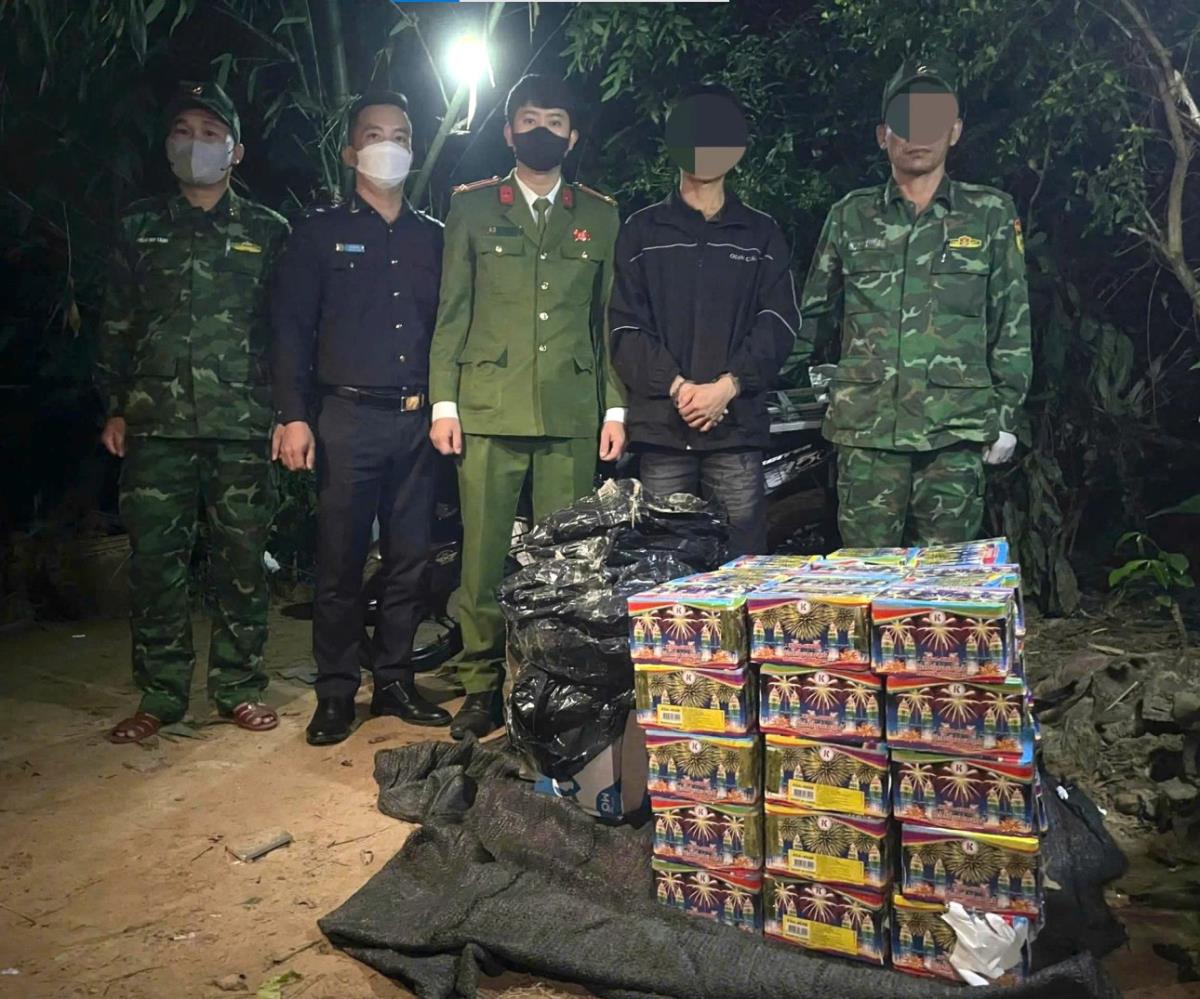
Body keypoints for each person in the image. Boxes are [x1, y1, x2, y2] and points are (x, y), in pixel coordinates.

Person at [428, 74, 626, 740]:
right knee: (482, 559)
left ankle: (553, 684)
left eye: (556, 121)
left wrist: (615, 409)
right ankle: (480, 684)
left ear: (573, 135)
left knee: (564, 566)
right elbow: (453, 310)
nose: (543, 130)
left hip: (570, 412)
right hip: (487, 408)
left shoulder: (600, 214)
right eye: (530, 119)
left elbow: (606, 323)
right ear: (510, 131)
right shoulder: (473, 207)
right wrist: (444, 401)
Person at [97, 81, 288, 743]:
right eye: (183, 130)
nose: (195, 143)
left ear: (236, 150)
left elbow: (286, 333)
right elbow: (117, 322)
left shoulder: (268, 231)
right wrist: (115, 406)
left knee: (242, 562)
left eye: (210, 133)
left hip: (241, 424)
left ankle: (238, 686)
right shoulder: (139, 227)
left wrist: (286, 412)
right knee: (156, 565)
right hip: (155, 425)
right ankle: (161, 694)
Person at [787, 60, 1031, 547]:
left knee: (945, 582)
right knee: (865, 575)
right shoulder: (850, 216)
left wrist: (1006, 417)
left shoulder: (989, 214)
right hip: (867, 434)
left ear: (954, 130)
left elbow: (1012, 322)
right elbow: (810, 318)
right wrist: (748, 386)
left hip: (954, 434)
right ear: (883, 135)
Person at [271, 92, 449, 746]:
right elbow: (290, 330)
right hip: (345, 417)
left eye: (400, 136)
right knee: (340, 561)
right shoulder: (317, 233)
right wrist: (293, 416)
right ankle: (336, 691)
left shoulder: (435, 237)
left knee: (410, 560)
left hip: (418, 421)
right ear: (350, 153)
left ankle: (395, 680)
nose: (388, 146)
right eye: (374, 135)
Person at [608, 86, 800, 556]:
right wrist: (677, 387)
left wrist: (728, 386)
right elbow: (624, 327)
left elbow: (779, 322)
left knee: (743, 566)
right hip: (663, 432)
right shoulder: (641, 231)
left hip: (736, 431)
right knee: (663, 567)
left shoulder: (761, 233)